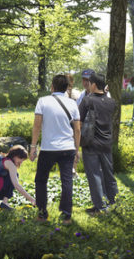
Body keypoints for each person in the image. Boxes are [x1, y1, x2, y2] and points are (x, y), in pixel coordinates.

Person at [31, 73, 82, 222]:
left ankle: (42, 213)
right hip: (67, 149)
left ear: (52, 86)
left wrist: (33, 147)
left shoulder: (43, 101)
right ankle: (66, 215)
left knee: (41, 180)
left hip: (48, 149)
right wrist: (77, 150)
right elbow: (77, 130)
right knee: (67, 180)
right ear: (67, 88)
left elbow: (37, 125)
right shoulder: (73, 104)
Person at [79, 74, 119, 214]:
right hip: (106, 143)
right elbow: (104, 100)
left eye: (90, 83)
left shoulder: (87, 100)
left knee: (94, 175)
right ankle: (114, 202)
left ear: (94, 85)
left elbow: (79, 121)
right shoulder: (111, 102)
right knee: (109, 174)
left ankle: (100, 207)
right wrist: (106, 93)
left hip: (91, 143)